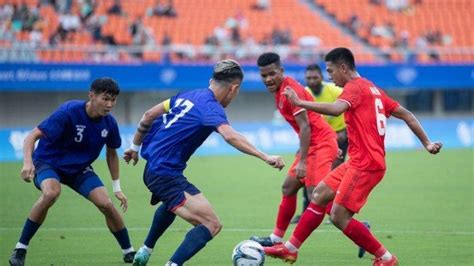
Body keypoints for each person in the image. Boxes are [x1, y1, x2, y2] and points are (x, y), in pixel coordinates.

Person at [265, 47, 442, 265]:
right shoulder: (372, 89)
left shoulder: (354, 88)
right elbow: (406, 114)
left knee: (339, 216)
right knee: (319, 194)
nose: (329, 76)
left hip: (366, 165)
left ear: (343, 67)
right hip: (358, 161)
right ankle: (290, 249)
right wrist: (427, 142)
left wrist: (300, 103)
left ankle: (385, 258)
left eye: (330, 71)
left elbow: (336, 109)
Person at [123, 59, 284, 266]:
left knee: (172, 204)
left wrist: (134, 148)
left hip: (153, 168)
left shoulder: (187, 95)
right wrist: (265, 156)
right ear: (234, 88)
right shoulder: (211, 108)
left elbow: (147, 116)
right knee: (211, 224)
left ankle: (145, 251)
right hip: (164, 173)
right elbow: (230, 136)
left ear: (211, 80)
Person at [9, 78, 136, 266]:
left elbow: (111, 154)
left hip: (78, 169)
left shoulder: (109, 123)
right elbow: (31, 137)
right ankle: (20, 248)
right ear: (91, 96)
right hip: (48, 163)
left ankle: (129, 252)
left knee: (106, 204)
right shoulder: (69, 112)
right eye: (105, 99)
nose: (110, 104)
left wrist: (117, 187)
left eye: (113, 100)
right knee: (51, 193)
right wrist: (27, 163)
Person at [250, 52, 339, 248]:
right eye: (264, 75)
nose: (268, 79)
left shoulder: (291, 91)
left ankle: (358, 226)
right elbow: (308, 125)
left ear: (281, 71)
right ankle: (276, 239)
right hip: (316, 143)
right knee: (288, 187)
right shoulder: (280, 90)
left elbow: (306, 126)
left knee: (317, 195)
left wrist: (303, 161)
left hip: (320, 144)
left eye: (272, 73)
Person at [293, 64, 370, 259]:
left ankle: (321, 216)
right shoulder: (307, 93)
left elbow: (345, 108)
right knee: (315, 186)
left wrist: (341, 134)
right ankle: (310, 214)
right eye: (308, 78)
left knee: (322, 187)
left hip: (339, 139)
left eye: (315, 77)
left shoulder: (335, 90)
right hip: (318, 142)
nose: (312, 81)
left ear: (321, 77)